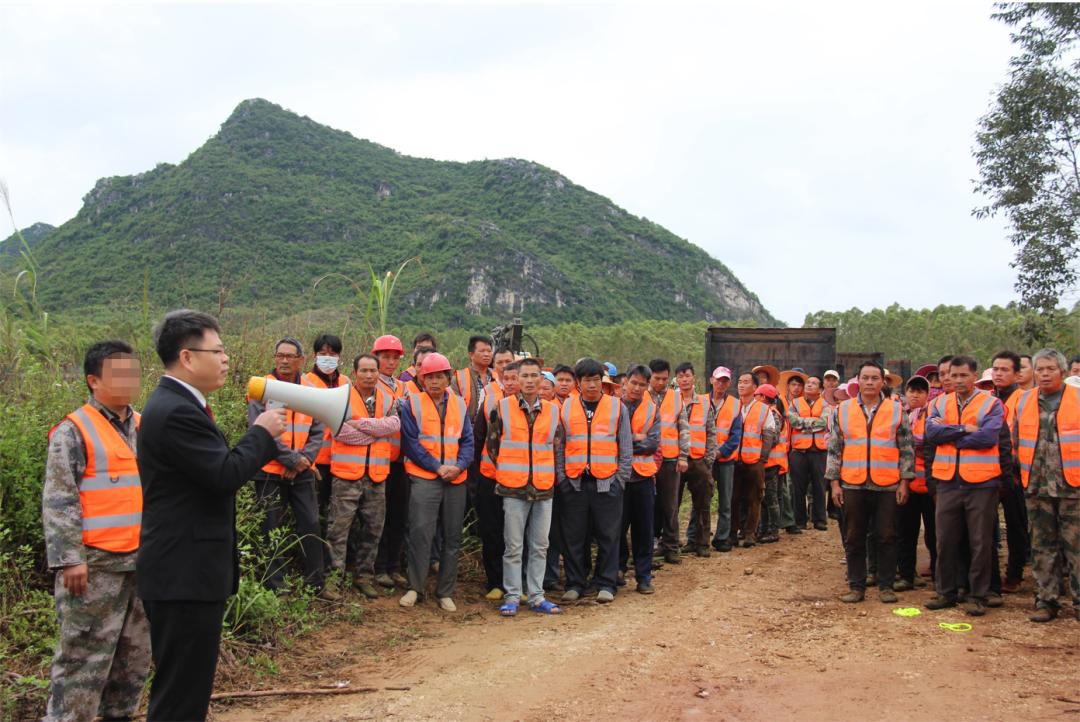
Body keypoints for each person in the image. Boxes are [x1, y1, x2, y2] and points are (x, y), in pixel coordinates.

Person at [137, 310, 286, 721]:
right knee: (180, 696)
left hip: (186, 574)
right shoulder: (176, 411)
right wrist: (263, 432)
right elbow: (224, 474)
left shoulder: (178, 405)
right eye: (217, 350)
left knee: (186, 689)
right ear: (187, 357)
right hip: (183, 575)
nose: (225, 359)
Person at [43, 341, 151, 722]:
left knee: (133, 660)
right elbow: (60, 499)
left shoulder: (145, 425)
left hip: (142, 564)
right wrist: (70, 559)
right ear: (93, 380)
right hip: (95, 567)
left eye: (133, 372)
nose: (129, 380)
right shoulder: (73, 431)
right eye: (119, 373)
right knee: (83, 662)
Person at [924, 355, 1012, 617]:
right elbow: (932, 434)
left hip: (982, 484)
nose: (958, 380)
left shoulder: (991, 404)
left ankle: (977, 596)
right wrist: (965, 429)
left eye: (964, 375)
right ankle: (946, 593)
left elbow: (987, 438)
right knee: (946, 540)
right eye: (953, 375)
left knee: (980, 542)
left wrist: (951, 435)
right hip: (948, 482)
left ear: (974, 376)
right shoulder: (938, 403)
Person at [247, 338, 331, 599]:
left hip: (303, 470)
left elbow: (318, 428)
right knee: (270, 527)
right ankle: (276, 587)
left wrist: (303, 460)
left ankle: (316, 584)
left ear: (300, 360)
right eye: (280, 355)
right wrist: (291, 460)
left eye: (289, 356)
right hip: (270, 470)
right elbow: (258, 428)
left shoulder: (309, 389)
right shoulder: (261, 388)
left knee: (311, 523)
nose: (284, 361)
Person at [826, 361, 914, 604]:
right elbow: (834, 449)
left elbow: (906, 448)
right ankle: (856, 586)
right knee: (854, 537)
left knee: (886, 535)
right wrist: (834, 483)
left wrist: (905, 482)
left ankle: (886, 586)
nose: (870, 382)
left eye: (875, 378)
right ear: (858, 380)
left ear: (882, 382)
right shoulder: (841, 410)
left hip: (887, 484)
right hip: (852, 484)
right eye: (865, 377)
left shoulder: (897, 410)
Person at [486, 358, 564, 616]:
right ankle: (511, 595)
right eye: (525, 376)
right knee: (513, 546)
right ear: (516, 380)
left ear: (542, 380)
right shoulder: (503, 407)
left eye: (534, 376)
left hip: (543, 488)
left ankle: (536, 595)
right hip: (514, 488)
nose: (530, 380)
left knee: (540, 544)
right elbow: (493, 446)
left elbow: (556, 446)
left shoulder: (553, 411)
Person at [398, 352, 474, 611]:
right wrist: (437, 467)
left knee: (452, 537)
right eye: (428, 377)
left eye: (439, 377)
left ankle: (445, 592)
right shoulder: (412, 404)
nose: (434, 382)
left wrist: (459, 466)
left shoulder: (460, 404)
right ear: (421, 378)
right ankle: (414, 588)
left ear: (448, 378)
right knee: (421, 533)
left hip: (455, 479)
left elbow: (468, 442)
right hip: (425, 478)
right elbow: (411, 444)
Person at [558, 359, 633, 604]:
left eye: (596, 379)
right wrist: (562, 477)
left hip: (607, 482)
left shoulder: (617, 407)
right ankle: (575, 583)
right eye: (586, 380)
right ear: (578, 383)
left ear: (603, 381)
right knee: (574, 536)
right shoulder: (566, 407)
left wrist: (620, 479)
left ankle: (606, 583)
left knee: (608, 535)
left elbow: (625, 446)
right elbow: (560, 445)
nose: (592, 385)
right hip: (575, 482)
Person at [325, 354, 400, 599]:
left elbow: (393, 425)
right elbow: (339, 431)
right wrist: (376, 429)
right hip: (347, 476)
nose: (369, 375)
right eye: (364, 371)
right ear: (355, 372)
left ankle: (364, 577)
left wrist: (359, 424)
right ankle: (332, 580)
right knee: (338, 530)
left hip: (377, 476)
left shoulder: (389, 398)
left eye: (373, 371)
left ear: (379, 373)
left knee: (373, 530)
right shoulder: (341, 397)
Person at [1013, 349, 1080, 622]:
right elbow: (1015, 441)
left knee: (1076, 548)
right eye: (1040, 369)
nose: (1044, 373)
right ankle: (1046, 600)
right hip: (1036, 487)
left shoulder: (1077, 399)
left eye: (1050, 368)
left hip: (1073, 488)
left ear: (1062, 372)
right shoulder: (1024, 401)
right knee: (1042, 547)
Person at [472, 349, 520, 600]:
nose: (510, 379)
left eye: (511, 366)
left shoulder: (531, 402)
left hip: (520, 479)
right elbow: (478, 435)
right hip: (490, 476)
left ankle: (517, 584)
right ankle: (495, 582)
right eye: (500, 364)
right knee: (492, 530)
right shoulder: (489, 396)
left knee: (516, 533)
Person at [990, 350, 1030, 594]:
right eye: (995, 369)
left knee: (1016, 525)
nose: (999, 373)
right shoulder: (986, 399)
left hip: (1015, 473)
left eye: (1005, 370)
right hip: (988, 472)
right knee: (989, 527)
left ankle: (1014, 574)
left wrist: (1015, 468)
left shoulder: (1025, 399)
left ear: (1016, 374)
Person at [372, 334, 409, 590]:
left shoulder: (403, 386)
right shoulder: (370, 384)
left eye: (394, 358)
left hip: (400, 461)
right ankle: (379, 567)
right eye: (386, 357)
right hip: (379, 460)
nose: (391, 362)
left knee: (398, 515)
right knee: (378, 517)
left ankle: (394, 566)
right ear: (376, 358)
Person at [619, 364, 661, 593]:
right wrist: (635, 440)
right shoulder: (613, 406)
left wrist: (626, 442)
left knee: (644, 530)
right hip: (619, 477)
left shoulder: (652, 409)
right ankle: (617, 570)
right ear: (625, 381)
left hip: (644, 478)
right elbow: (609, 442)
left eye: (642, 385)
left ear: (647, 386)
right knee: (616, 528)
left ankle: (644, 577)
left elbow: (652, 444)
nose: (636, 388)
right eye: (633, 382)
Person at [303, 333, 349, 532]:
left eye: (332, 353)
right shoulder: (305, 382)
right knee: (315, 512)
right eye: (323, 353)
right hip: (317, 461)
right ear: (315, 356)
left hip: (343, 461)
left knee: (339, 514)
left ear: (339, 356)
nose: (327, 358)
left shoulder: (346, 382)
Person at [895, 375, 936, 591]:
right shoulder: (900, 415)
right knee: (906, 532)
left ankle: (938, 574)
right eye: (911, 390)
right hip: (906, 484)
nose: (915, 394)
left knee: (934, 533)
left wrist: (907, 439)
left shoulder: (932, 415)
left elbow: (929, 439)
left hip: (930, 485)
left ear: (927, 395)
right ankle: (906, 575)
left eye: (920, 391)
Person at [648, 359, 689, 564]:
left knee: (670, 504)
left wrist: (683, 456)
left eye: (665, 378)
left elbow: (684, 428)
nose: (661, 382)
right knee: (649, 504)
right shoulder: (642, 396)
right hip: (646, 459)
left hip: (670, 459)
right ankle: (651, 543)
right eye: (657, 378)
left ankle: (671, 546)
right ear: (650, 377)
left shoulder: (675, 397)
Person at [674, 362, 718, 556]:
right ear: (675, 379)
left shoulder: (705, 403)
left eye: (687, 376)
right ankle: (672, 544)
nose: (684, 379)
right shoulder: (671, 401)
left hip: (698, 460)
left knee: (702, 504)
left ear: (694, 378)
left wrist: (708, 461)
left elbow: (711, 433)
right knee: (671, 504)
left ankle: (701, 543)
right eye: (680, 376)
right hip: (675, 461)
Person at [729, 374, 777, 548]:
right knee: (733, 498)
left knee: (754, 498)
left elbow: (770, 435)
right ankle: (732, 533)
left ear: (755, 387)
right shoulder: (732, 406)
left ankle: (750, 534)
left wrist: (761, 460)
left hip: (754, 462)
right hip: (733, 461)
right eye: (740, 382)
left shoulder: (764, 409)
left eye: (746, 382)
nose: (741, 385)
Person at [787, 375, 830, 531]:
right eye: (808, 383)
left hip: (819, 451)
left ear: (820, 389)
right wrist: (813, 423)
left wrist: (803, 423)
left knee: (820, 486)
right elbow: (793, 421)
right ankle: (800, 520)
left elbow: (824, 422)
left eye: (814, 383)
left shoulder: (826, 405)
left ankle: (819, 519)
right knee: (797, 487)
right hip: (798, 451)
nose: (809, 385)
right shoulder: (794, 403)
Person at [708, 367, 743, 552]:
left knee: (725, 501)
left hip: (725, 460)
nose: (721, 384)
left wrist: (720, 452)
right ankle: (696, 538)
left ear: (729, 383)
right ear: (711, 380)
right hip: (703, 460)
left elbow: (736, 436)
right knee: (702, 500)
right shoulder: (700, 401)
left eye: (725, 381)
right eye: (718, 380)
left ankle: (721, 538)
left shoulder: (735, 405)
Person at [451, 335, 494, 420]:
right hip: (468, 426)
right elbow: (453, 407)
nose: (486, 354)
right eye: (482, 351)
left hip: (492, 428)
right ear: (471, 355)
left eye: (489, 351)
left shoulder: (497, 377)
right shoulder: (458, 378)